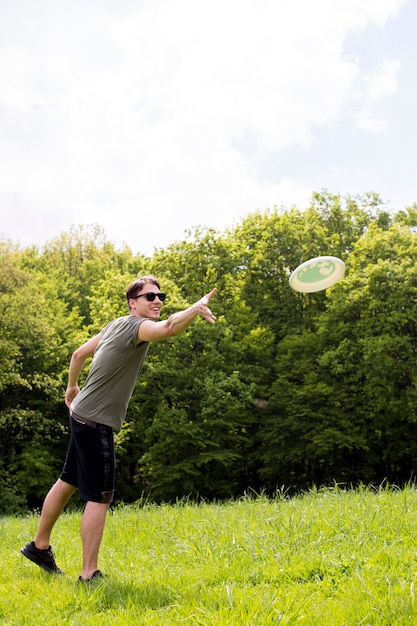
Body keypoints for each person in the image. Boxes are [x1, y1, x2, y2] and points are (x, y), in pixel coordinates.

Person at [21, 275, 217, 582]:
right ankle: (89, 573)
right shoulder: (137, 327)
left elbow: (77, 355)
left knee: (67, 480)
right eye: (149, 296)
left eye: (159, 296)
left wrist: (72, 387)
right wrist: (196, 308)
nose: (157, 300)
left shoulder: (114, 325)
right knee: (99, 497)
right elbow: (168, 328)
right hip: (95, 421)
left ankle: (39, 546)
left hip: (81, 414)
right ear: (133, 303)